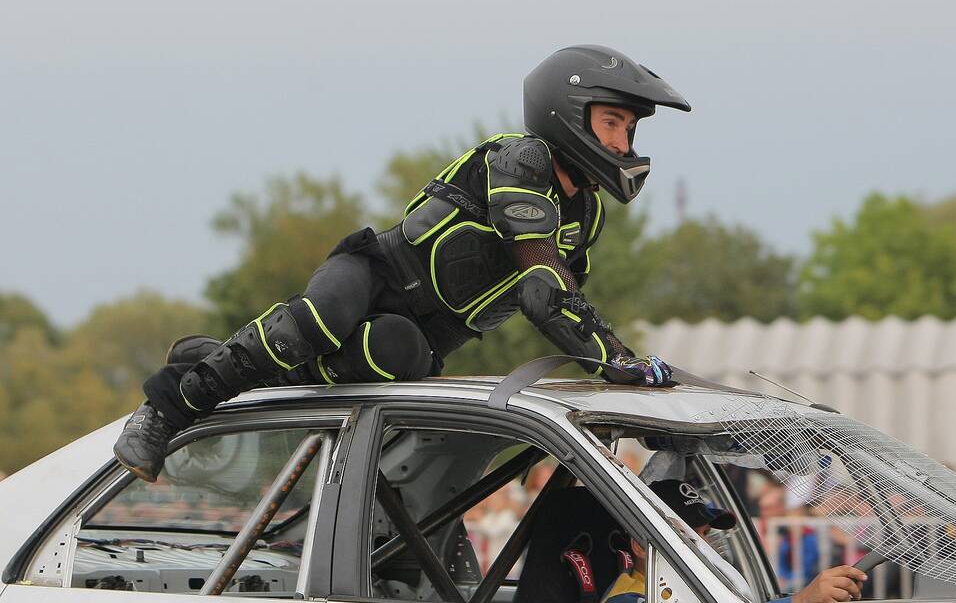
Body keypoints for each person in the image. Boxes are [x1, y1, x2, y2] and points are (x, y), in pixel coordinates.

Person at [113, 45, 691, 482]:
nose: (623, 142)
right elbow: (545, 291)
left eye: (630, 128)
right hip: (375, 275)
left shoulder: (585, 215)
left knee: (396, 354)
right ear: (567, 113)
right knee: (319, 317)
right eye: (613, 122)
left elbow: (568, 302)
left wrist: (622, 366)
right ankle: (164, 409)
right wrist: (616, 359)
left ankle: (221, 359)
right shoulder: (523, 159)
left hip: (419, 337)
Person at [596, 480, 868, 603]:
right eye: (689, 536)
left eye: (704, 534)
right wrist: (800, 600)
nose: (704, 547)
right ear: (640, 548)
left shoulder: (680, 592)